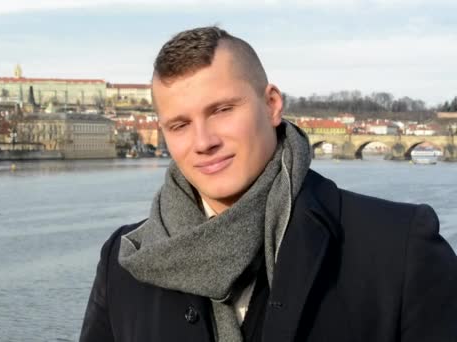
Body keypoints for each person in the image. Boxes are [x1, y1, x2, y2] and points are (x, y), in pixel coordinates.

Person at [79, 26, 457, 342]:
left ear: (272, 104)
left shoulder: (400, 246)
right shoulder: (122, 262)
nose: (203, 141)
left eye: (222, 110)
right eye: (180, 125)